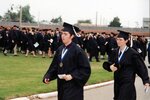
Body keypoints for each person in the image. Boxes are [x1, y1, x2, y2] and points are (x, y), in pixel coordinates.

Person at [43, 22, 91, 100]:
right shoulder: (60, 49)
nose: (63, 36)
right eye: (62, 34)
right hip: (61, 84)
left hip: (73, 86)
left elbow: (85, 69)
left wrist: (72, 76)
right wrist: (48, 76)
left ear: (71, 36)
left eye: (65, 34)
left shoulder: (78, 51)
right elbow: (55, 65)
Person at [103, 30, 150, 100]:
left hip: (127, 81)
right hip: (117, 81)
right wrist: (109, 67)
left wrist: (146, 81)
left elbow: (140, 67)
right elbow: (110, 62)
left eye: (120, 40)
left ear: (126, 40)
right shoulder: (115, 52)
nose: (118, 41)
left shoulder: (133, 53)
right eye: (117, 39)